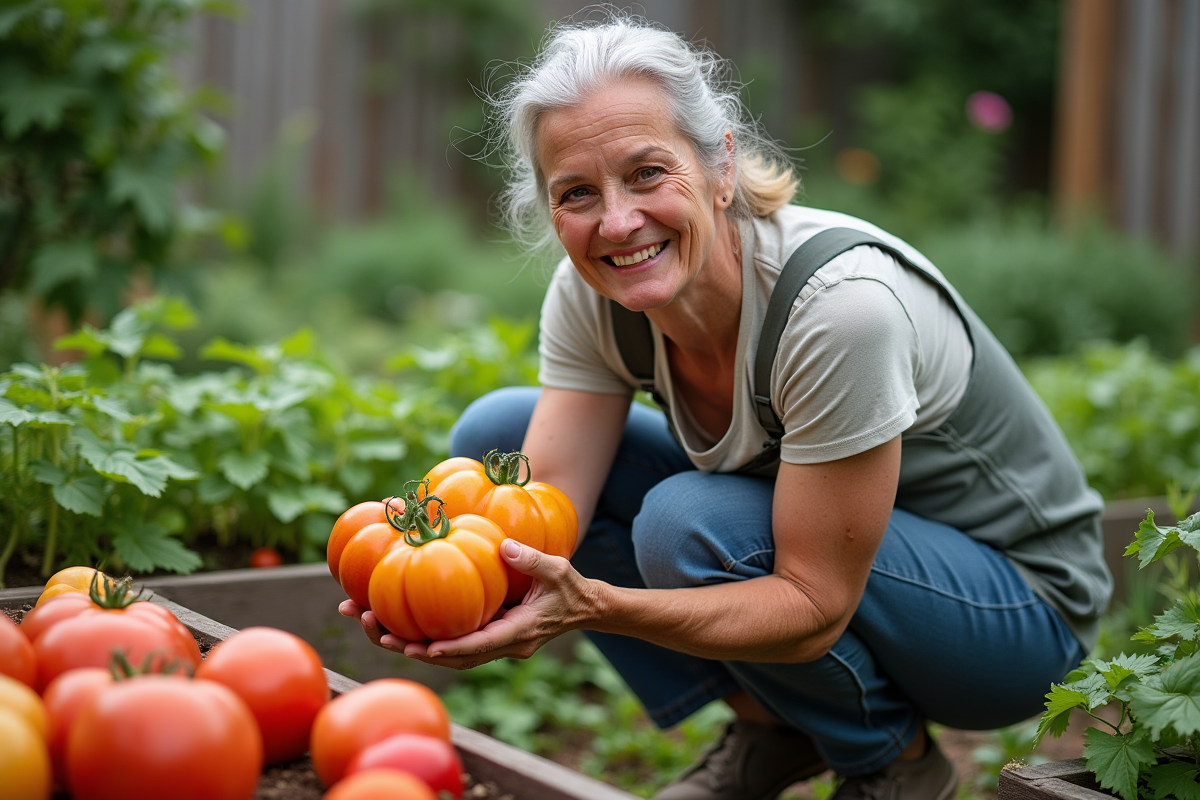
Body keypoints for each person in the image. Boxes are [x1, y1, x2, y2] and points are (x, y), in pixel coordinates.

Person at [340, 15, 1112, 800]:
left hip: (1015, 621)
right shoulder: (591, 294)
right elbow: (543, 528)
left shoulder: (839, 310)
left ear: (721, 165)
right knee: (497, 443)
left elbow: (813, 605)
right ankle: (772, 730)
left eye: (647, 173)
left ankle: (894, 765)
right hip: (856, 574)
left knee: (687, 525)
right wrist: (434, 582)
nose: (616, 222)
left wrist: (593, 608)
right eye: (577, 193)